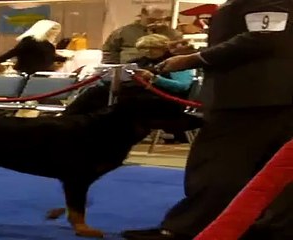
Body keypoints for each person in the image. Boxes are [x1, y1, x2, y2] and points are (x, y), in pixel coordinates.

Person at [122, 1, 293, 239]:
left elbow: (265, 37)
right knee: (271, 169)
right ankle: (267, 228)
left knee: (216, 166)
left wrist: (197, 58)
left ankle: (190, 228)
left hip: (250, 98)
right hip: (266, 97)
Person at [0, 20, 64, 75]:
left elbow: (48, 58)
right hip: (28, 74)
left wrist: (65, 58)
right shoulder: (30, 41)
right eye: (53, 29)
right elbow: (12, 53)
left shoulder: (47, 44)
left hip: (44, 74)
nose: (56, 32)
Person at [102, 5, 182, 64]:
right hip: (129, 71)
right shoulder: (122, 32)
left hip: (162, 70)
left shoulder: (173, 34)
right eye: (152, 20)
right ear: (143, 15)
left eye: (160, 20)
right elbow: (109, 53)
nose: (156, 23)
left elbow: (179, 55)